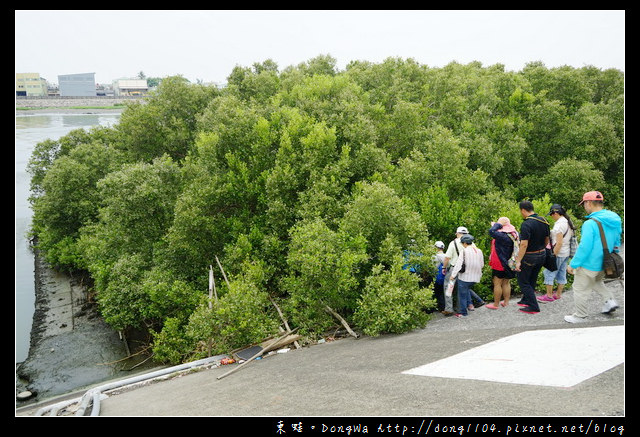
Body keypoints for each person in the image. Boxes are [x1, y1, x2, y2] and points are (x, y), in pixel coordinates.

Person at [564, 191, 622, 323]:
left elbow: (585, 247)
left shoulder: (590, 223)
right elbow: (617, 241)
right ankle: (610, 300)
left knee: (579, 288)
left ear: (588, 203)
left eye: (584, 204)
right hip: (606, 262)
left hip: (590, 263)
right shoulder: (614, 219)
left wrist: (573, 264)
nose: (584, 206)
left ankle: (580, 316)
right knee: (597, 282)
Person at [514, 201, 550, 314]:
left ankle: (533, 306)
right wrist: (541, 249)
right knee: (532, 278)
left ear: (523, 210)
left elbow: (523, 244)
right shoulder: (544, 220)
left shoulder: (526, 224)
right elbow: (547, 239)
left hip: (529, 256)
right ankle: (526, 299)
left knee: (523, 281)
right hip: (542, 254)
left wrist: (518, 261)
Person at [538, 204, 576, 302]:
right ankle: (558, 294)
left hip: (559, 253)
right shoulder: (568, 221)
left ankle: (549, 296)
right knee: (562, 273)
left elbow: (559, 242)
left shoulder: (559, 224)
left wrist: (553, 255)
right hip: (566, 252)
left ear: (555, 213)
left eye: (552, 214)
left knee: (549, 272)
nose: (551, 216)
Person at [448, 234, 484, 317]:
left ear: (464, 243)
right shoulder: (479, 251)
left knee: (462, 295)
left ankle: (463, 313)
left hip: (465, 277)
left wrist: (453, 275)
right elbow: (482, 264)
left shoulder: (464, 251)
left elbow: (458, 265)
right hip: (476, 277)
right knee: (467, 290)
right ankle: (476, 302)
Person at [487, 217, 519, 309]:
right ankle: (506, 302)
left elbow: (491, 232)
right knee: (506, 283)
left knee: (497, 283)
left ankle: (496, 304)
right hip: (510, 262)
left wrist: (498, 224)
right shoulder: (513, 234)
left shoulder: (502, 235)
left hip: (500, 262)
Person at [432, 241, 446, 312]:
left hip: (437, 277)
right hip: (445, 277)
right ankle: (445, 307)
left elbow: (433, 267)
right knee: (445, 292)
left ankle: (440, 307)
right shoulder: (446, 256)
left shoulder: (434, 256)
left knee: (438, 292)